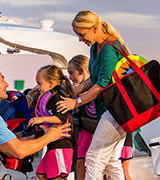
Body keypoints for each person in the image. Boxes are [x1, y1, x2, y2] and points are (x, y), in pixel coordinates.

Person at [57, 10, 129, 180]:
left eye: (82, 35)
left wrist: (75, 103)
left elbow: (101, 86)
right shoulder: (96, 48)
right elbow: (94, 79)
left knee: (94, 158)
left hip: (115, 111)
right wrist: (75, 90)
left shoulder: (109, 49)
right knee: (111, 161)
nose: (80, 40)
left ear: (95, 28)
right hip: (109, 111)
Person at [28, 65, 74, 180]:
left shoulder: (58, 99)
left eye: (39, 83)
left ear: (51, 83)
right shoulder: (47, 98)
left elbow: (61, 118)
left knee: (56, 177)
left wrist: (42, 119)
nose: (37, 87)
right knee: (41, 174)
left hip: (61, 146)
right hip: (52, 145)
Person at [67, 54, 96, 180]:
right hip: (82, 132)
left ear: (82, 71)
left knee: (82, 164)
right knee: (81, 164)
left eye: (72, 73)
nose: (70, 77)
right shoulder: (79, 90)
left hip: (89, 131)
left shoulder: (89, 90)